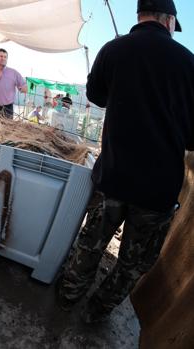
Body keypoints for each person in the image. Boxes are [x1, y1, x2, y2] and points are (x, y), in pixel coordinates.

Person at [57, 0, 193, 324]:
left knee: (90, 245)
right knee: (132, 262)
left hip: (114, 178)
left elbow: (95, 95)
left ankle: (67, 298)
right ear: (169, 20)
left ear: (140, 15)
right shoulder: (189, 64)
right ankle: (96, 313)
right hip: (157, 193)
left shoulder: (114, 50)